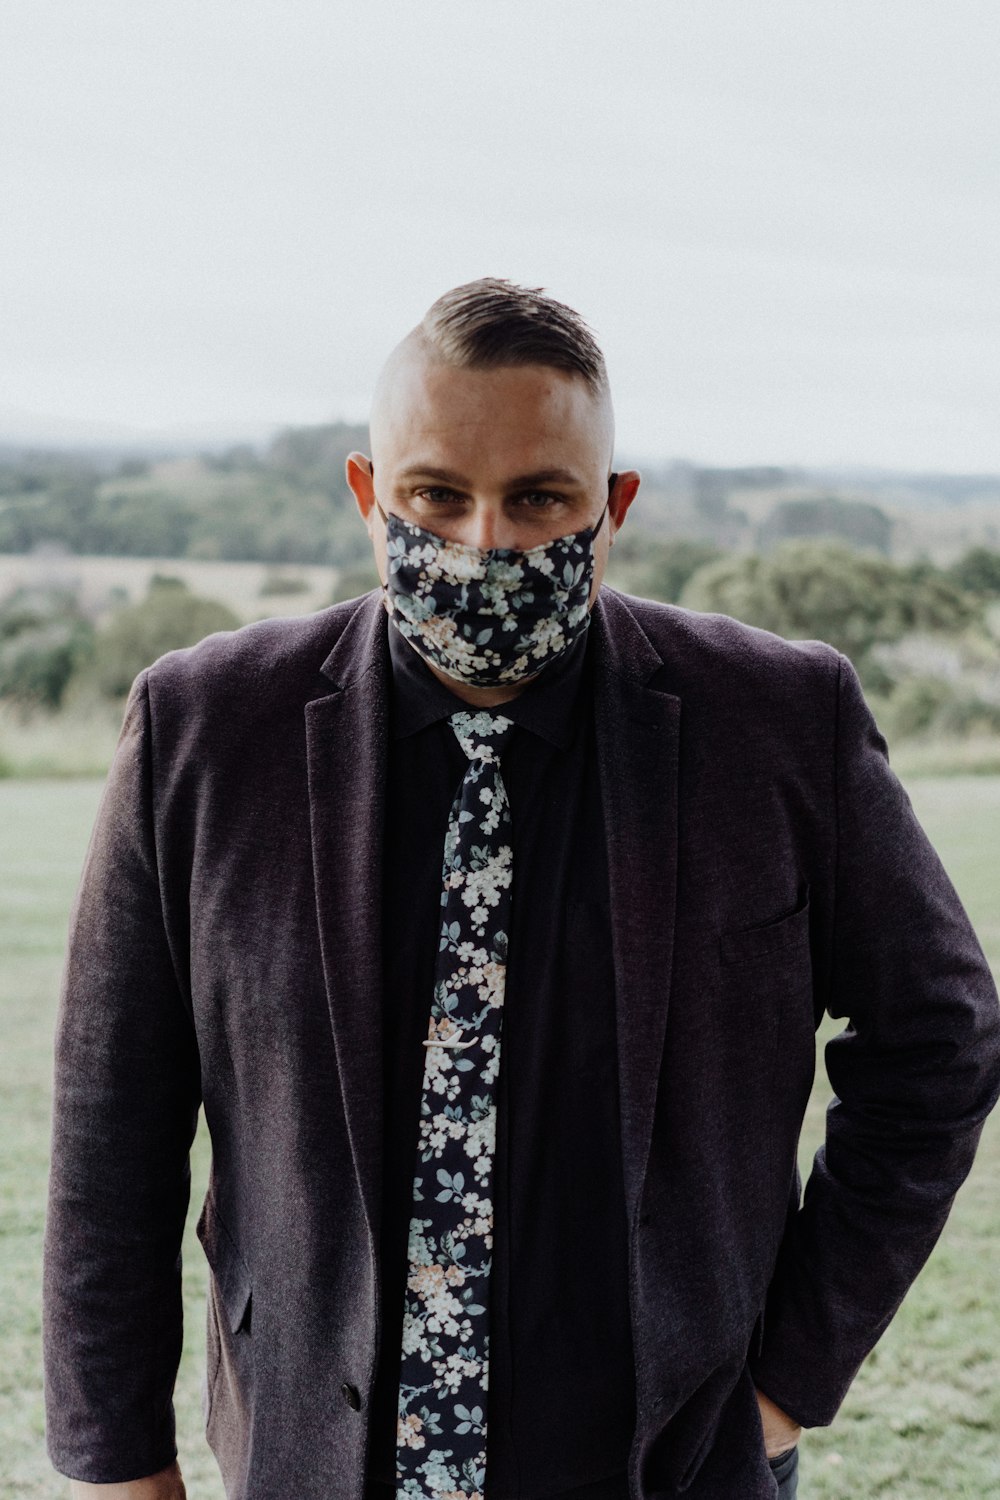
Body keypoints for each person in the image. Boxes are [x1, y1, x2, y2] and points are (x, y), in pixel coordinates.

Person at [43, 278, 1000, 1500]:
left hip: (668, 1461)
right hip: (317, 1461)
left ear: (612, 509)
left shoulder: (779, 721)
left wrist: (786, 1380)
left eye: (538, 496)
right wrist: (122, 1468)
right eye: (436, 494)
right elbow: (111, 1117)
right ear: (365, 497)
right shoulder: (204, 728)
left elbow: (941, 1036)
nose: (484, 542)